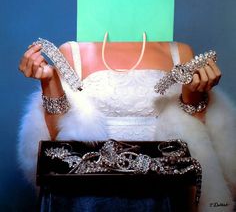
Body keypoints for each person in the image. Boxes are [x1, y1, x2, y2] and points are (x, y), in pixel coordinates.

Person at [18, 39, 236, 211]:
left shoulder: (180, 52)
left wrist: (195, 94)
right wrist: (49, 82)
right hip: (88, 190)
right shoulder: (70, 52)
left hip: (161, 187)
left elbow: (193, 134)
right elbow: (62, 135)